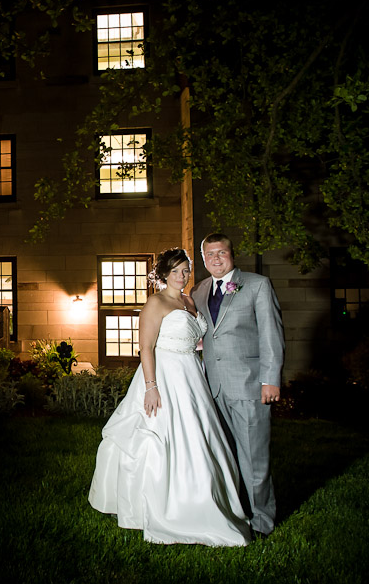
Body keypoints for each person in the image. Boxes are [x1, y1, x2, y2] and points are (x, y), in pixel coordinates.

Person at [88, 248, 252, 546]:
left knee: (201, 434)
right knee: (165, 435)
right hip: (164, 375)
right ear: (163, 274)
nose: (182, 275)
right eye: (176, 271)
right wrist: (151, 387)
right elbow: (146, 348)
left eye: (186, 270)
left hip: (192, 374)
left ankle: (210, 498)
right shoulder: (156, 302)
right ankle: (164, 506)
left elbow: (196, 338)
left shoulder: (190, 300)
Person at [194, 233, 284, 537]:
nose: (216, 259)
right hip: (213, 388)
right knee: (226, 457)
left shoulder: (257, 284)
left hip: (248, 386)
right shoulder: (199, 290)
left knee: (254, 458)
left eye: (221, 253)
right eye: (210, 255)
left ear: (232, 254)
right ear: (203, 258)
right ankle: (236, 512)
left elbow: (270, 335)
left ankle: (262, 522)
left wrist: (270, 379)